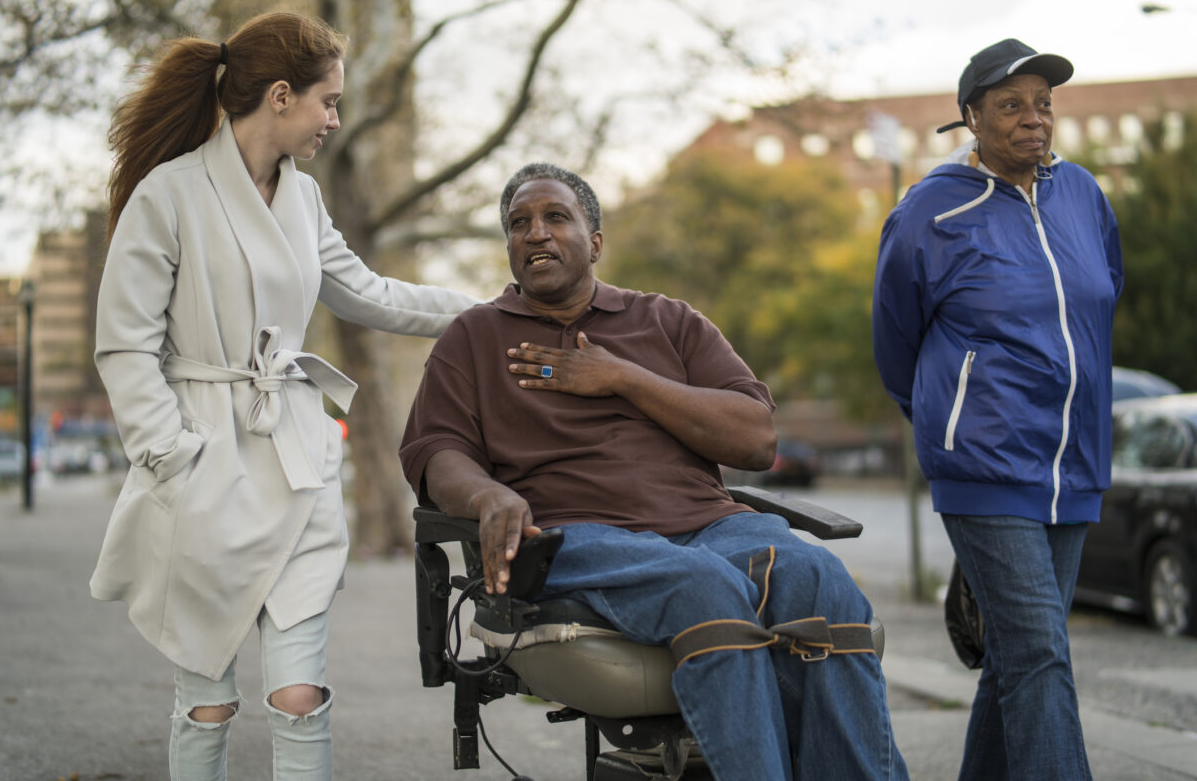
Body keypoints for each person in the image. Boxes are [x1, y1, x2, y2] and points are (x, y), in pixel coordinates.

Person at [400, 162, 909, 781]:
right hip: (574, 536)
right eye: (518, 224)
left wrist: (623, 377)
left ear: (594, 242)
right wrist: (485, 495)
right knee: (702, 584)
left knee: (816, 575)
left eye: (555, 217)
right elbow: (435, 451)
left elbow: (755, 439)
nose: (534, 233)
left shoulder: (668, 321)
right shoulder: (473, 337)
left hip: (708, 524)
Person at [90, 12, 478, 780]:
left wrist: (487, 310)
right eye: (326, 102)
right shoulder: (168, 195)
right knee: (208, 699)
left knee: (299, 693)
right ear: (278, 97)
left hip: (296, 458)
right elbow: (123, 345)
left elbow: (366, 291)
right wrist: (171, 455)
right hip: (204, 463)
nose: (333, 119)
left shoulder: (301, 199)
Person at [872, 39, 1122, 781]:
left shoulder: (1082, 195)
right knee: (1042, 651)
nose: (1032, 119)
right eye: (1011, 105)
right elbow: (896, 339)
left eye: (1043, 104)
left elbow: (1101, 300)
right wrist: (949, 423)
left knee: (1017, 656)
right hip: (983, 462)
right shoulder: (930, 211)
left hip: (1072, 463)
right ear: (971, 118)